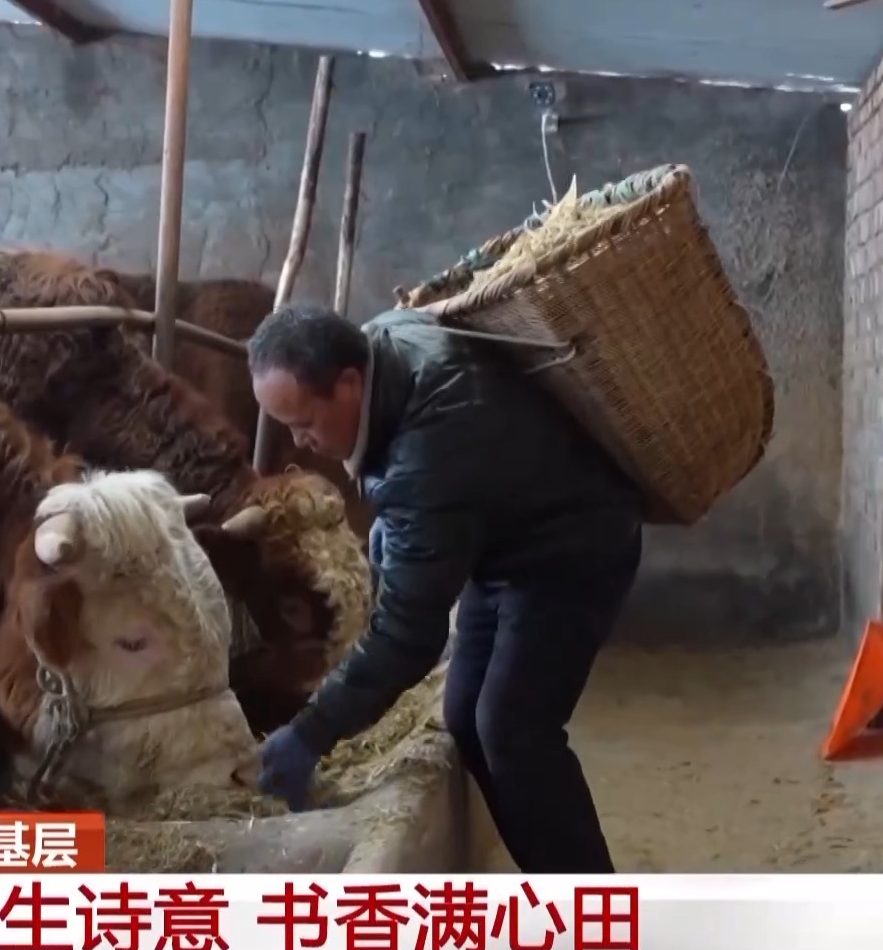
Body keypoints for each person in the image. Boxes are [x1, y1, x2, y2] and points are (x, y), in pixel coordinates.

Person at [247, 304, 644, 873]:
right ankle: (550, 878)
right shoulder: (384, 343)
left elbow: (409, 634)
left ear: (349, 384)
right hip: (504, 540)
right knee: (464, 717)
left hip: (572, 551)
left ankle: (591, 905)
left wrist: (313, 731)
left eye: (305, 421)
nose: (299, 441)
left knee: (513, 732)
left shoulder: (429, 454)